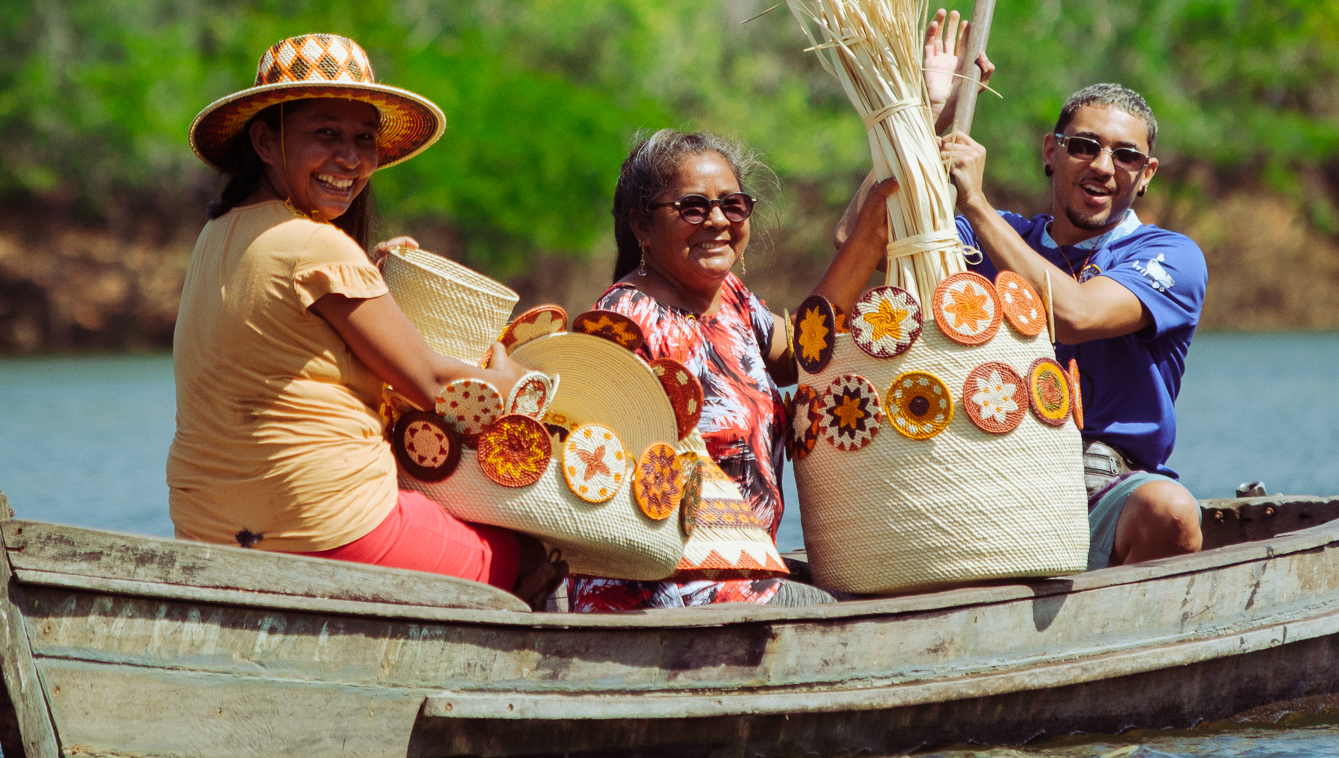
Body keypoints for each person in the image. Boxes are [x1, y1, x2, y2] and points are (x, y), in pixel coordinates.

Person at [165, 33, 557, 599]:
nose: (350, 159)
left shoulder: (219, 234)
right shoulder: (315, 247)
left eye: (364, 139)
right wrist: (515, 381)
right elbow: (432, 384)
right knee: (527, 556)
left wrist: (367, 271)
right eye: (325, 134)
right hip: (328, 526)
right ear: (265, 141)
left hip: (208, 531)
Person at [567, 129, 907, 611]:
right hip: (664, 589)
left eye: (733, 205)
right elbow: (602, 474)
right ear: (642, 226)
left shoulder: (730, 299)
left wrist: (871, 231)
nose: (717, 221)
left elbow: (796, 357)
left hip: (743, 572)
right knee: (854, 620)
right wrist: (868, 232)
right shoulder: (624, 322)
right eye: (692, 207)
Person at [939, 81, 1208, 570]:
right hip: (991, 474)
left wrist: (973, 203)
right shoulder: (989, 239)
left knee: (1170, 511)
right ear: (1052, 152)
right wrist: (936, 114)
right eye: (1084, 147)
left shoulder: (1168, 255)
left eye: (1125, 156)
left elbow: (1077, 315)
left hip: (1103, 483)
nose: (1103, 167)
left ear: (1146, 174)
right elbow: (859, 234)